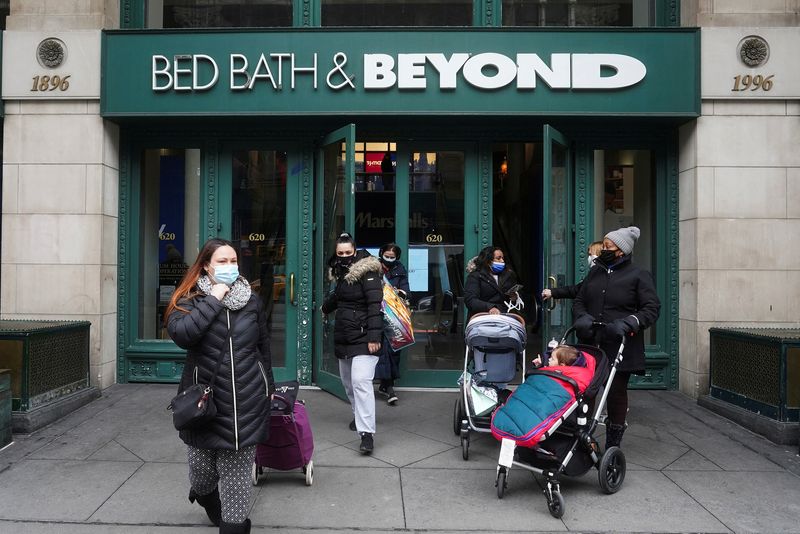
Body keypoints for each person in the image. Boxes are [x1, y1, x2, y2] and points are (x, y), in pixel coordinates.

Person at [165, 238, 274, 534]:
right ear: (205, 266)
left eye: (233, 261)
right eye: (222, 262)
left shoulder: (251, 300)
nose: (230, 267)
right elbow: (184, 335)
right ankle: (205, 499)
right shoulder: (188, 299)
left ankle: (233, 525)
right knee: (202, 475)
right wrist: (214, 298)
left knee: (236, 480)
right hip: (206, 406)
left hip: (247, 402)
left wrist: (268, 387)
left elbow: (262, 347)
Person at [572, 226, 660, 451]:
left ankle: (613, 443)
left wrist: (629, 322)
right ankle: (581, 437)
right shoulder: (595, 273)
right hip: (591, 341)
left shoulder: (638, 275)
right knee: (586, 389)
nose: (603, 249)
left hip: (620, 343)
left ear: (621, 250)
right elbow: (580, 299)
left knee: (616, 392)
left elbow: (651, 309)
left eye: (608, 245)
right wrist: (581, 317)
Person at [321, 232, 384, 454]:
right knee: (348, 383)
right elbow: (340, 297)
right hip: (344, 336)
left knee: (360, 382)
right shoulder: (341, 273)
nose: (345, 256)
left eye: (349, 252)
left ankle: (366, 434)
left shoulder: (368, 272)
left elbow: (375, 305)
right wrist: (324, 308)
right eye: (341, 253)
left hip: (365, 336)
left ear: (355, 251)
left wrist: (374, 337)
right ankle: (358, 416)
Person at [374, 242, 410, 405]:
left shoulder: (400, 270)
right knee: (384, 350)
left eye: (392, 257)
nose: (388, 259)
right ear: (381, 254)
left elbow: (406, 292)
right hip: (377, 313)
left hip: (394, 314)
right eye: (386, 256)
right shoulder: (374, 268)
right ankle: (388, 387)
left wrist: (400, 293)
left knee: (394, 350)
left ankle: (385, 384)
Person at [464, 245, 523, 321]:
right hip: (482, 319)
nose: (502, 261)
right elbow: (470, 300)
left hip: (505, 318)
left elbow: (518, 297)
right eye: (498, 258)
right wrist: (491, 307)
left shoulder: (508, 275)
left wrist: (515, 297)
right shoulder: (476, 276)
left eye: (503, 258)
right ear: (488, 261)